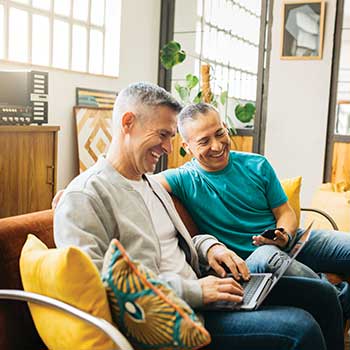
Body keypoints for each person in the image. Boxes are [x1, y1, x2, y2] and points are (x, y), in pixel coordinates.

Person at [54, 83, 344, 350]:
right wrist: (196, 291)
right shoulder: (86, 197)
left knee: (325, 297)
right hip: (177, 313)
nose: (168, 148)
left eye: (170, 136)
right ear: (128, 122)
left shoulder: (151, 184)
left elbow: (176, 241)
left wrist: (209, 246)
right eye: (163, 135)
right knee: (300, 328)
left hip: (207, 285)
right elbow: (98, 288)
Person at [156, 102, 350, 318]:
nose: (217, 146)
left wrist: (284, 235)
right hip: (254, 261)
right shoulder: (183, 178)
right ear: (186, 146)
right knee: (268, 255)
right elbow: (138, 181)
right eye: (204, 141)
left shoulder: (257, 164)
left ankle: (337, 299)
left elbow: (285, 212)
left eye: (220, 133)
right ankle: (338, 298)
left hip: (293, 241)